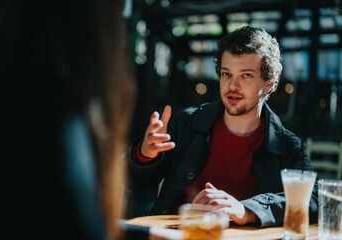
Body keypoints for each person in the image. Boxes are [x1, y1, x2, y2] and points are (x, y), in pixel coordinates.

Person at [0, 0, 180, 239]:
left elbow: (44, 217)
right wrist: (144, 154)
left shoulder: (10, 88)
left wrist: (145, 234)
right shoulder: (49, 106)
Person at [128, 26, 318, 227]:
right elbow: (133, 182)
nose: (233, 86)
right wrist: (144, 155)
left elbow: (314, 199)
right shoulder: (187, 124)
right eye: (226, 74)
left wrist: (249, 210)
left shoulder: (287, 146)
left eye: (246, 75)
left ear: (268, 84)